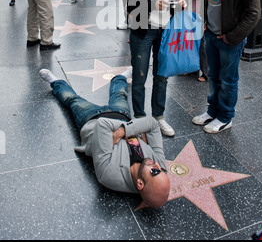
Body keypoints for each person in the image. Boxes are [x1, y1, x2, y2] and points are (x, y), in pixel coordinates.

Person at [39, 67, 170, 210]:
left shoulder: (110, 176)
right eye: (162, 171)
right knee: (119, 93)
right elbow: (152, 123)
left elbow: (102, 125)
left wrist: (131, 129)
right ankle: (119, 77)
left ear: (140, 184)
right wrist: (119, 133)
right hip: (121, 116)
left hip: (91, 119)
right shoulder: (159, 164)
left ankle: (55, 81)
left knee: (71, 99)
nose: (158, 165)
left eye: (155, 171)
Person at [192, 0, 261, 133]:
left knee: (228, 79)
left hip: (230, 37)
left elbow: (254, 13)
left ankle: (225, 116)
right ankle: (212, 110)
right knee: (213, 75)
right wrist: (204, 21)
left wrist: (232, 37)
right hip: (211, 32)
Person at [127, 0, 190, 137]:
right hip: (143, 30)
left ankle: (158, 117)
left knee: (162, 76)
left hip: (166, 31)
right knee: (140, 76)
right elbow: (131, 6)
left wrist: (181, 1)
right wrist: (153, 5)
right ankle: (139, 117)